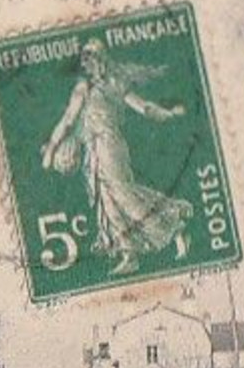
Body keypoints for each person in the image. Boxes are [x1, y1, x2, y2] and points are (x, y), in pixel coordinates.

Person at [40, 38, 192, 276]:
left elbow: (142, 106)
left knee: (122, 193)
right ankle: (130, 252)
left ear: (102, 59)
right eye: (86, 60)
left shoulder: (115, 82)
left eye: (93, 58)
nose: (89, 64)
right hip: (93, 149)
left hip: (110, 145)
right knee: (108, 198)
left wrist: (169, 114)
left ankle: (172, 228)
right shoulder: (82, 88)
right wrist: (51, 148)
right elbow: (69, 119)